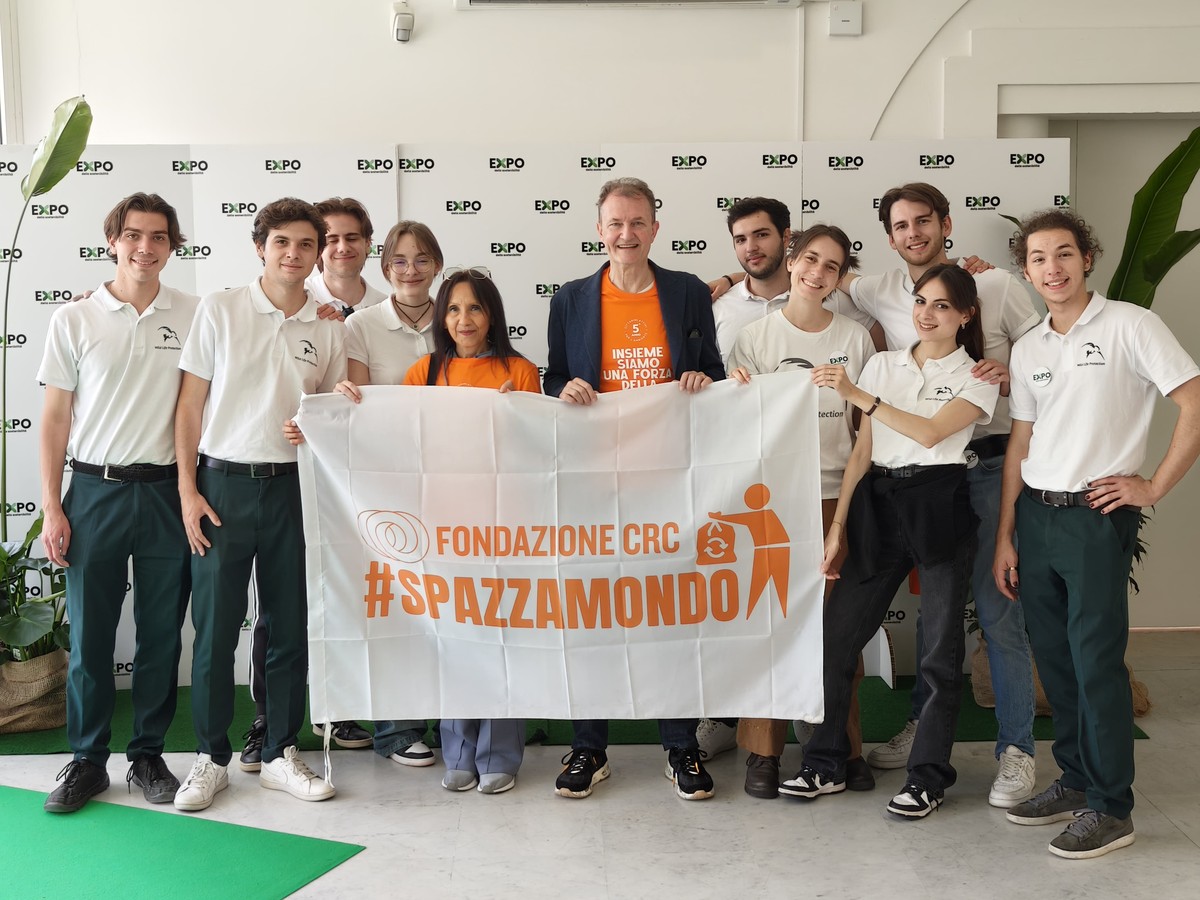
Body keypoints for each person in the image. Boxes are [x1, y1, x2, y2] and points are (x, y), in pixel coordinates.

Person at [995, 209, 1200, 859]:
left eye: (1063, 253)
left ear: (1087, 258)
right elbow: (1021, 441)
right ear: (1025, 271)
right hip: (1037, 515)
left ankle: (1112, 808)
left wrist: (1154, 485)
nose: (1051, 268)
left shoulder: (1130, 326)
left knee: (1095, 662)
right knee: (1056, 662)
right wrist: (1006, 533)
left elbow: (1194, 400)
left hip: (1095, 516)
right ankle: (1077, 780)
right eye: (1037, 258)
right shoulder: (1030, 346)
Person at [830, 183, 1041, 809]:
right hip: (915, 478)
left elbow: (1043, 348)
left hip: (986, 461)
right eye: (900, 225)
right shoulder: (880, 289)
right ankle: (924, 730)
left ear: (945, 223)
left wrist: (1009, 373)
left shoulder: (996, 282)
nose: (913, 233)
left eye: (923, 221)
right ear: (889, 237)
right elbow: (817, 274)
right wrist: (729, 280)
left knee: (996, 612)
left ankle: (1016, 751)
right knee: (936, 621)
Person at [782, 264, 998, 819]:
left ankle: (928, 778)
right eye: (921, 302)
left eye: (942, 306)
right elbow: (862, 450)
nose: (926, 314)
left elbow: (931, 433)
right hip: (877, 501)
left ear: (966, 315)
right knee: (836, 641)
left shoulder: (978, 375)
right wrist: (838, 526)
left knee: (939, 655)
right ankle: (825, 762)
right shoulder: (883, 363)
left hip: (939, 501)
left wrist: (857, 394)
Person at [544, 176, 725, 800]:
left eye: (638, 222)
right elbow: (553, 377)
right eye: (616, 223)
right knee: (592, 612)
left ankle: (680, 745)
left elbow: (713, 370)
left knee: (670, 613)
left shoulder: (687, 291)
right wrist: (563, 388)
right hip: (595, 481)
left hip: (670, 479)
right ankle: (589, 748)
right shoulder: (570, 299)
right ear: (600, 230)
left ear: (655, 228)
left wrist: (701, 379)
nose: (627, 233)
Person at [172, 197, 346, 811]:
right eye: (281, 243)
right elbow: (189, 405)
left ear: (318, 254)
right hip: (221, 485)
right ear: (260, 248)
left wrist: (320, 419)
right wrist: (188, 490)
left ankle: (278, 753)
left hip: (294, 488)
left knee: (288, 627)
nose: (293, 254)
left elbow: (332, 407)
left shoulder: (329, 324)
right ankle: (210, 758)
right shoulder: (220, 309)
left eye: (306, 244)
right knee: (216, 630)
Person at [338, 267, 539, 793]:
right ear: (441, 318)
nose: (463, 319)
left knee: (500, 640)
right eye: (452, 308)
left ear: (492, 315)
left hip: (502, 528)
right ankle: (459, 750)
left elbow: (537, 452)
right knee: (452, 641)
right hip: (442, 531)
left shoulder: (520, 371)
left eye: (474, 308)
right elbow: (396, 441)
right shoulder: (423, 372)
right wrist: (343, 406)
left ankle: (500, 754)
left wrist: (513, 416)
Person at [38, 193, 195, 813]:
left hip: (166, 493)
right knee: (91, 635)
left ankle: (148, 755)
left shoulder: (195, 314)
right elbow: (54, 418)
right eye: (133, 235)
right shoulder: (74, 318)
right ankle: (86, 761)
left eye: (158, 237)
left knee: (161, 636)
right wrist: (53, 507)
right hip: (93, 491)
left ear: (172, 246)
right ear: (113, 241)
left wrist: (329, 307)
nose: (145, 247)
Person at [725, 224, 876, 799]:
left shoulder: (855, 339)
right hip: (775, 500)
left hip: (836, 497)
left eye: (831, 266)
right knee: (770, 627)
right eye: (810, 259)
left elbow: (865, 430)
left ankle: (842, 746)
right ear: (791, 261)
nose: (817, 272)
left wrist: (847, 508)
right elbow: (735, 427)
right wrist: (734, 391)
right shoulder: (755, 338)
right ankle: (762, 751)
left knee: (839, 633)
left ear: (840, 278)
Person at [239, 197, 384, 767]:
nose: (342, 248)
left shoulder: (384, 305)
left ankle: (341, 710)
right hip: (291, 475)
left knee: (345, 596)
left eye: (353, 237)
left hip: (362, 483)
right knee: (280, 608)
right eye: (332, 239)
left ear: (368, 244)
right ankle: (268, 720)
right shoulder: (296, 297)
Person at [335, 219, 448, 769]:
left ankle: (457, 720)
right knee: (397, 606)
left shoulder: (457, 316)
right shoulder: (361, 325)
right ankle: (398, 730)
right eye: (400, 260)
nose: (411, 270)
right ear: (384, 268)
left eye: (422, 259)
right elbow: (358, 404)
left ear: (438, 266)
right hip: (387, 484)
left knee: (450, 602)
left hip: (452, 481)